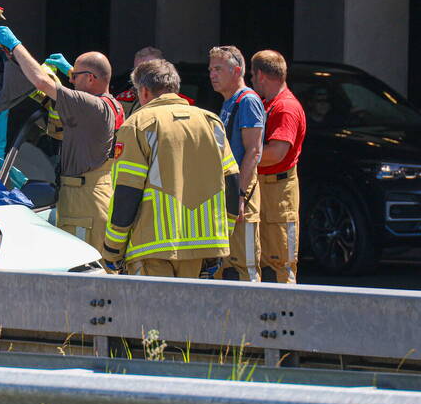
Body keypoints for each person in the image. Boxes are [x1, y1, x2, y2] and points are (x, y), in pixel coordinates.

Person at [0, 26, 123, 257]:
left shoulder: (92, 107)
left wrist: (15, 45)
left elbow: (42, 82)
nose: (71, 80)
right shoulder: (112, 105)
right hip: (92, 195)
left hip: (84, 205)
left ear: (91, 78)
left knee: (81, 272)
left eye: (75, 76)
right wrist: (73, 72)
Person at [102, 59, 241, 278]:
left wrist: (112, 248)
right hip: (203, 248)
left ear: (145, 91)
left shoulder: (138, 124)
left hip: (151, 248)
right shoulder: (211, 122)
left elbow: (127, 191)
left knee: (151, 312)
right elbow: (233, 183)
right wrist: (223, 236)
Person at [209, 46, 265, 281]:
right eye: (210, 69)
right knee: (222, 260)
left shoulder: (247, 100)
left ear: (237, 71)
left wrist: (240, 195)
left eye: (218, 69)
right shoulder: (229, 102)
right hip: (228, 192)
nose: (212, 74)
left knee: (246, 263)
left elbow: (253, 151)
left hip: (242, 194)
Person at [251, 49, 306, 284]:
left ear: (261, 75)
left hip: (278, 193)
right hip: (268, 189)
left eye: (252, 76)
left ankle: (286, 317)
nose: (251, 81)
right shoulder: (270, 104)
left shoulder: (285, 108)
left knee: (280, 263)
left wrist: (241, 156)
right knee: (263, 260)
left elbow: (276, 153)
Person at [116, 46, 165, 117]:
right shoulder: (123, 101)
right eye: (137, 72)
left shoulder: (180, 103)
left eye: (149, 71)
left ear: (164, 70)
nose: (142, 77)